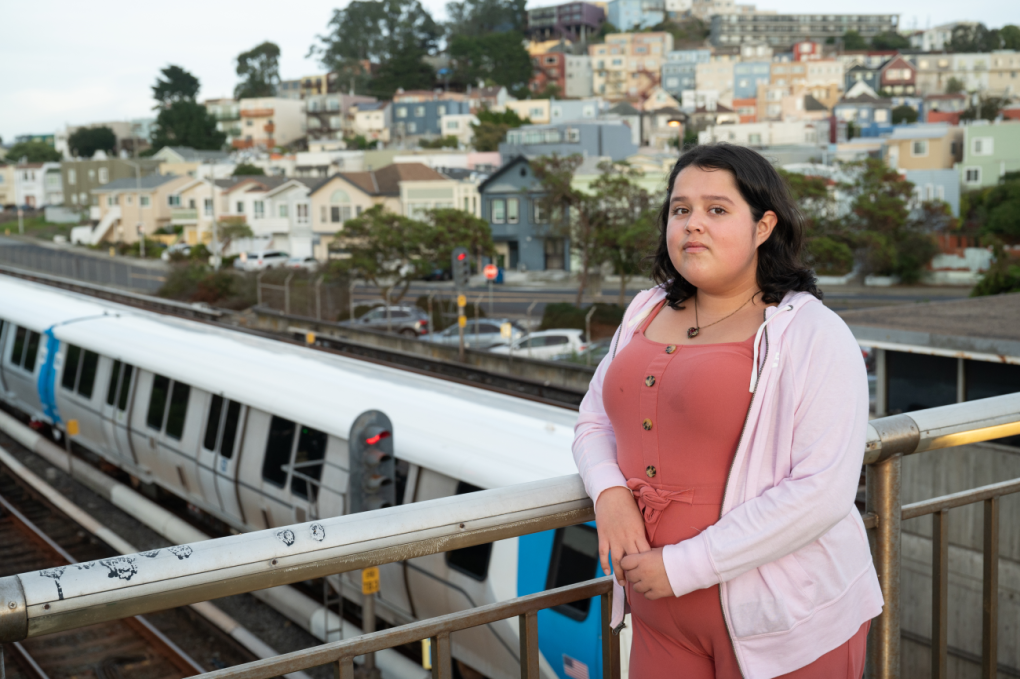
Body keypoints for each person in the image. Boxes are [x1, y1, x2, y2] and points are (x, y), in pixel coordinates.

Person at [572, 144, 882, 679]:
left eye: (717, 210)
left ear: (764, 226)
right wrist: (611, 495)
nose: (693, 225)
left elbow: (822, 490)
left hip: (785, 619)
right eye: (680, 209)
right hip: (657, 612)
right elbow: (594, 420)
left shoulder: (811, 332)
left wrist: (683, 566)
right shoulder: (644, 310)